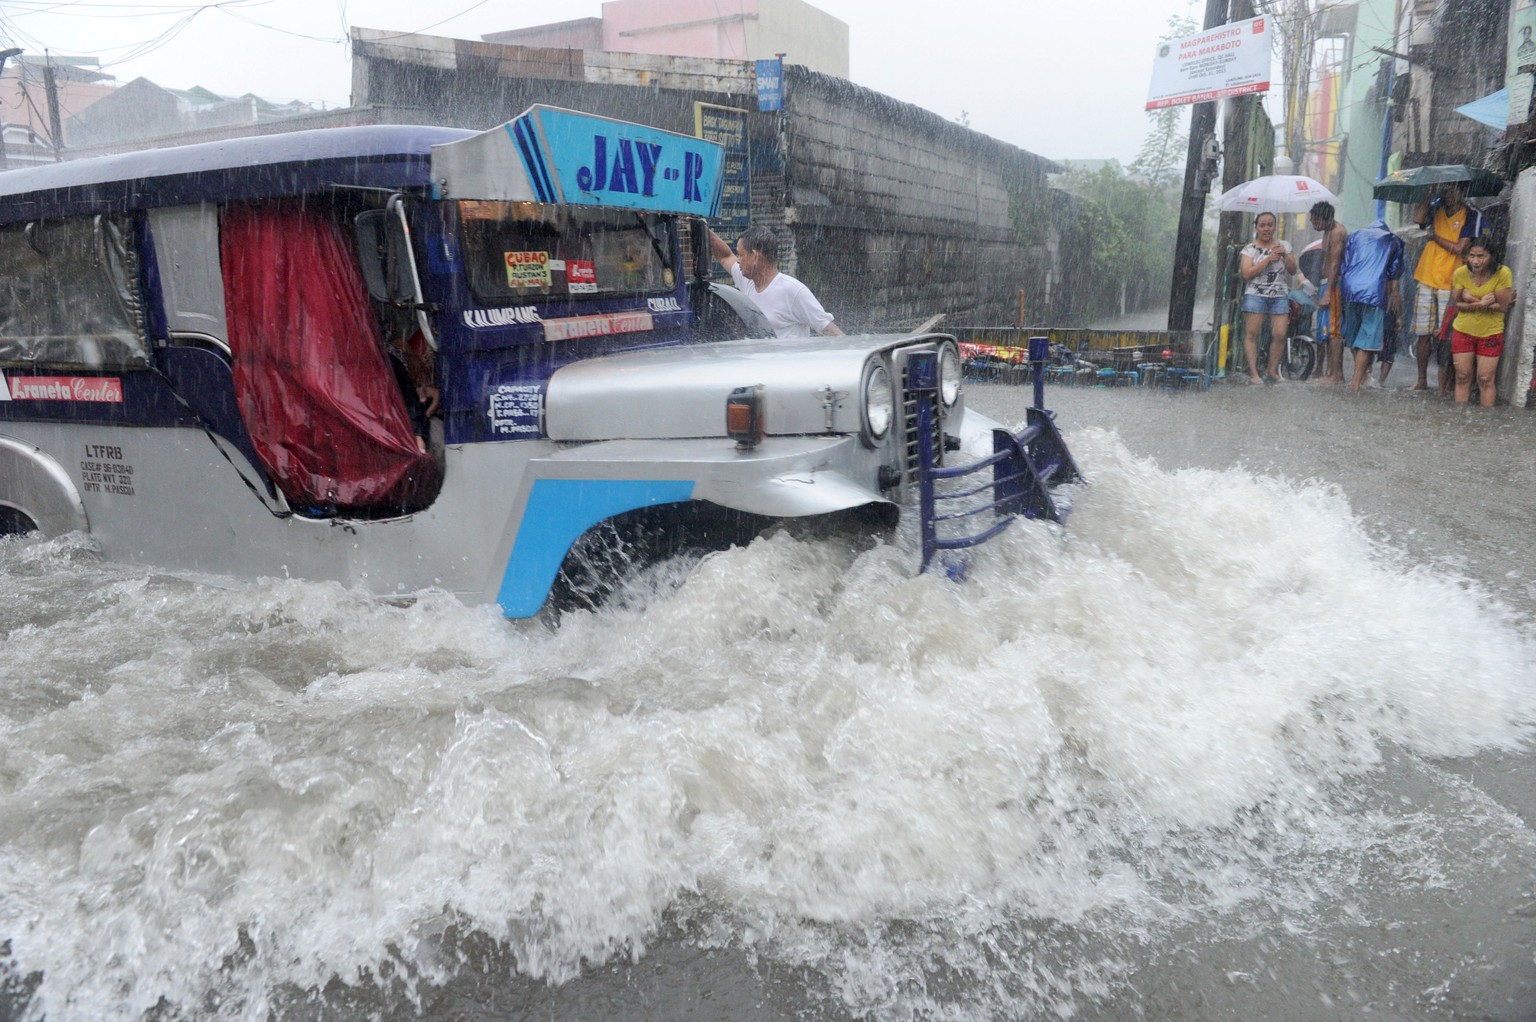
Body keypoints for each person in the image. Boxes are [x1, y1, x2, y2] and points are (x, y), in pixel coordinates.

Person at [1410, 183, 1484, 393]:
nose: (1448, 195)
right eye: (1446, 190)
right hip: (1426, 276)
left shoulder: (1470, 215)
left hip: (1452, 281)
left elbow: (1461, 248)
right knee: (1422, 333)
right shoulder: (1436, 207)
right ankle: (1422, 380)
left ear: (1463, 192)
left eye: (1453, 190)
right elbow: (1418, 219)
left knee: (1448, 336)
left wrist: (1435, 238)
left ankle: (1448, 384)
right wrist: (1429, 194)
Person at [709, 226, 844, 337]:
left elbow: (832, 332)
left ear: (755, 257)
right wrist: (699, 226)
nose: (738, 260)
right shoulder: (746, 280)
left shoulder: (793, 291)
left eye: (741, 255)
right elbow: (725, 256)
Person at [1337, 219, 1405, 392]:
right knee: (1367, 339)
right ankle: (1356, 382)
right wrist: (1397, 314)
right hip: (1374, 293)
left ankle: (1362, 375)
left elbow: (1344, 266)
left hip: (1349, 290)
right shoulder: (1394, 240)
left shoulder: (1355, 236)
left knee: (1353, 336)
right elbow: (1394, 284)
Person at [1448, 236, 1515, 406]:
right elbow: (1457, 304)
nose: (1476, 261)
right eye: (1472, 256)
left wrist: (1471, 301)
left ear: (1491, 256)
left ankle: (1486, 421)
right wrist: (1482, 303)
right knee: (1462, 377)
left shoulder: (1503, 273)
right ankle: (1460, 417)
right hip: (1463, 330)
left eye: (1481, 256)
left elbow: (1502, 306)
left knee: (1485, 379)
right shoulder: (1460, 273)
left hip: (1491, 333)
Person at [1238, 211, 1297, 384]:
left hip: (1279, 295)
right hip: (1256, 294)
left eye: (1270, 224)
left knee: (1280, 334)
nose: (1266, 228)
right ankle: (1254, 373)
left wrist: (1285, 254)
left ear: (1275, 226)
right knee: (1252, 333)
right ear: (1256, 227)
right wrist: (1268, 259)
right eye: (1262, 225)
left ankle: (1272, 370)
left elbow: (1293, 270)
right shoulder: (1250, 249)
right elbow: (1247, 273)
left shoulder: (1284, 245)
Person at [1309, 202, 1350, 384]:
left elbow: (1335, 264)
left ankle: (1336, 375)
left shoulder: (1337, 232)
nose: (1313, 224)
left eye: (1315, 221)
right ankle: (1327, 372)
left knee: (1334, 331)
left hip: (1334, 285)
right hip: (1327, 284)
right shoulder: (1328, 230)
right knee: (1324, 331)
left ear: (1325, 218)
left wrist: (1328, 292)